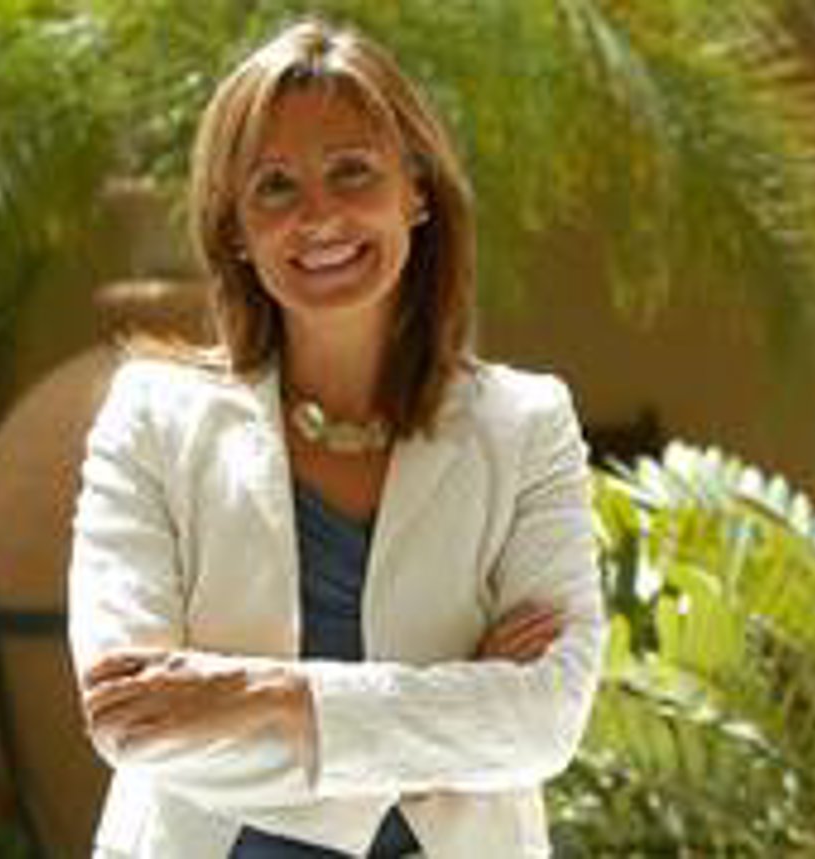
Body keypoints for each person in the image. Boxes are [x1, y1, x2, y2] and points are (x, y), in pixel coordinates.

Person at [68, 16, 605, 858]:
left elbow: (546, 720)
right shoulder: (150, 418)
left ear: (416, 191)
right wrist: (448, 719)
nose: (318, 215)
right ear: (236, 228)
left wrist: (257, 696)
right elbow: (130, 716)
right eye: (275, 186)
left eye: (352, 170)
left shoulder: (527, 425)